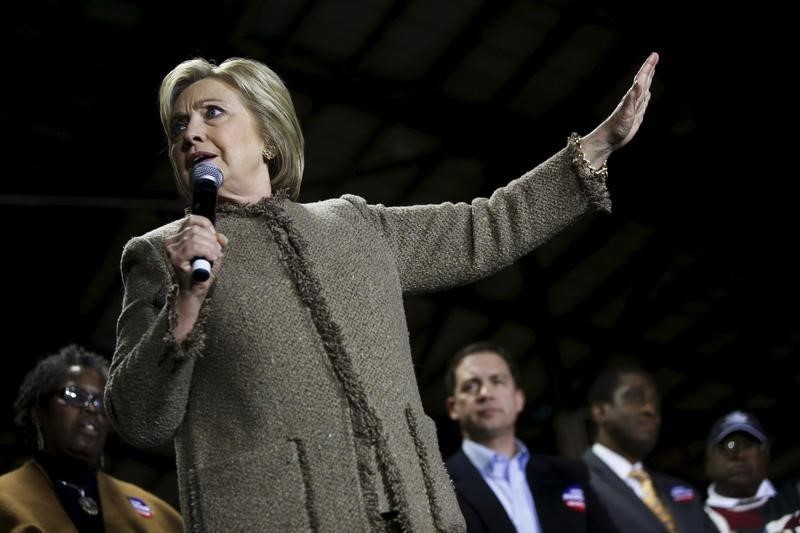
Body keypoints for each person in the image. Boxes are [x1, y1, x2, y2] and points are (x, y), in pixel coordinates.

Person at [104, 51, 659, 531]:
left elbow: (485, 228)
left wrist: (597, 147)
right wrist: (185, 303)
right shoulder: (157, 256)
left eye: (212, 113)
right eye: (178, 127)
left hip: (414, 515)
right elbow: (137, 419)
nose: (191, 134)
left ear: (268, 136)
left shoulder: (354, 225)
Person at [0, 344, 183, 532]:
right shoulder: (5, 499)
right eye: (74, 394)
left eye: (100, 402)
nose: (91, 408)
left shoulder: (160, 514)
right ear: (38, 411)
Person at [444, 342, 618, 532]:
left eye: (497, 381)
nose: (485, 393)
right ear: (453, 408)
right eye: (470, 386)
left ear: (519, 399)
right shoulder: (440, 485)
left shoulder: (570, 475)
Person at [582, 365, 714, 533]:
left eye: (655, 402)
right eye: (636, 398)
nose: (650, 409)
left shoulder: (682, 491)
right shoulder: (576, 488)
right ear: (600, 411)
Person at [704, 410, 800, 533]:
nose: (739, 454)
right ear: (709, 460)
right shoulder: (696, 521)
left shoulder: (795, 494)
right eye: (729, 445)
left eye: (748, 445)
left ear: (765, 454)